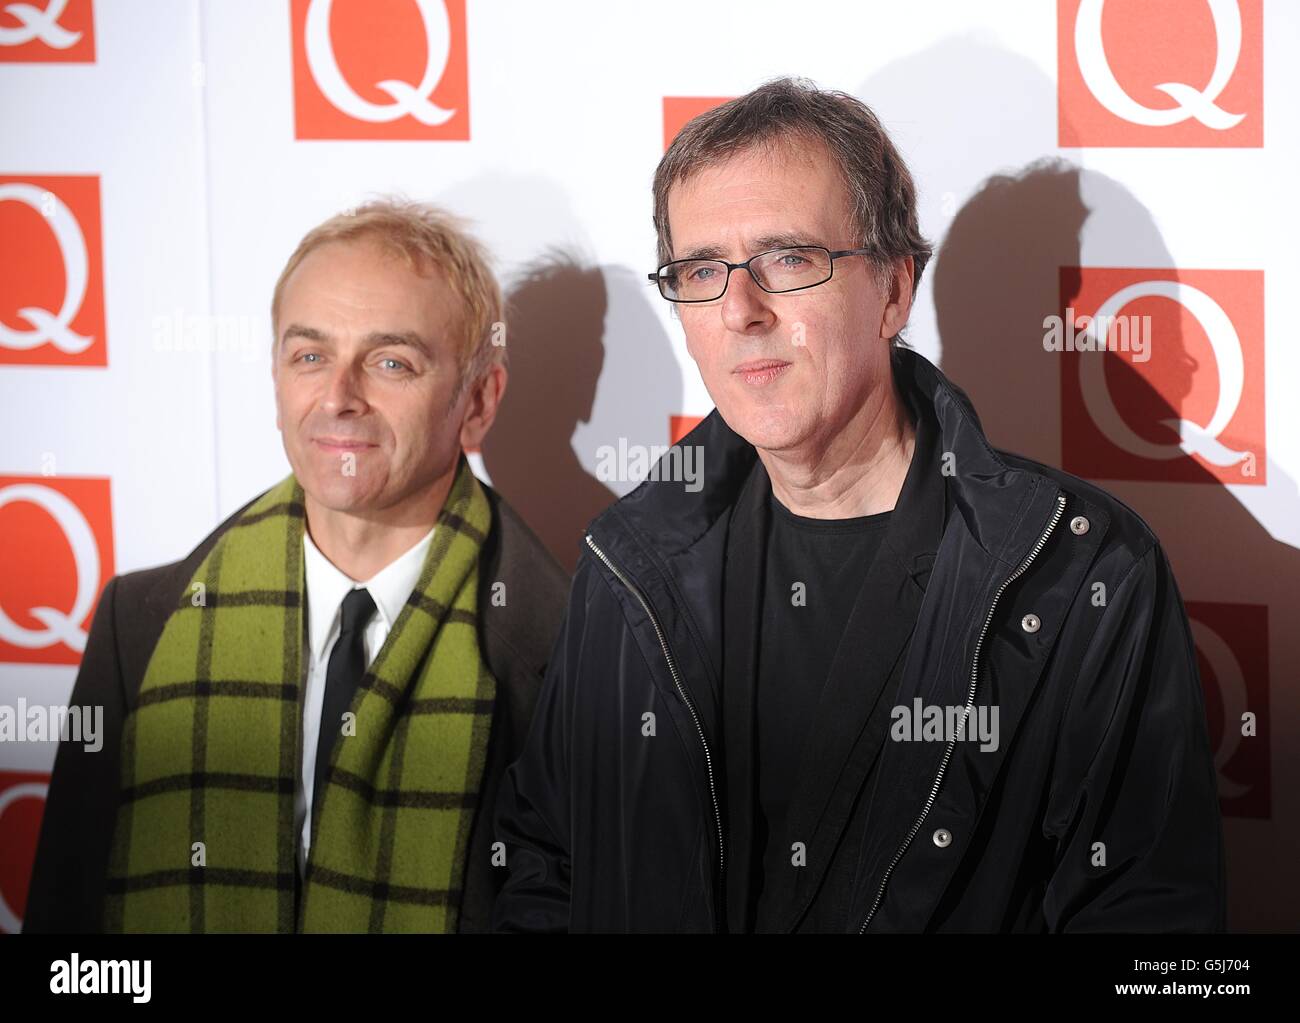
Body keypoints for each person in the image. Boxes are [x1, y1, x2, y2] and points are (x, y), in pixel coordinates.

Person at [492, 78, 1226, 933]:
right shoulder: (627, 562)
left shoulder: (1080, 572)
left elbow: (1153, 928)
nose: (740, 311)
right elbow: (545, 864)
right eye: (701, 270)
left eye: (789, 258)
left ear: (893, 291)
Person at [25, 199, 569, 933]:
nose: (338, 398)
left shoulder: (566, 653)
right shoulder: (141, 626)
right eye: (310, 355)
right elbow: (67, 935)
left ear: (477, 400)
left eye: (390, 361)